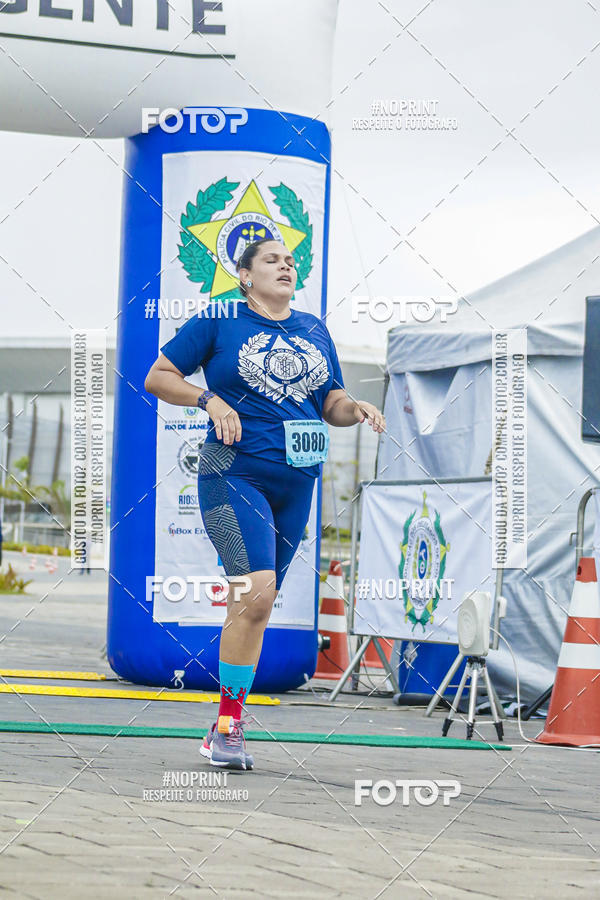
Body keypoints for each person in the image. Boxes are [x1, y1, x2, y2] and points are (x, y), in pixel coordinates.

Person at [144, 238, 385, 770]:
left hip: (298, 482)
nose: (286, 266)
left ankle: (227, 720)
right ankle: (228, 726)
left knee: (257, 602)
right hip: (232, 472)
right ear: (245, 274)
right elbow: (158, 376)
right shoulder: (221, 320)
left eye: (290, 261)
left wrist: (356, 407)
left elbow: (331, 403)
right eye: (272, 260)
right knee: (255, 593)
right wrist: (209, 398)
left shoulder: (313, 329)